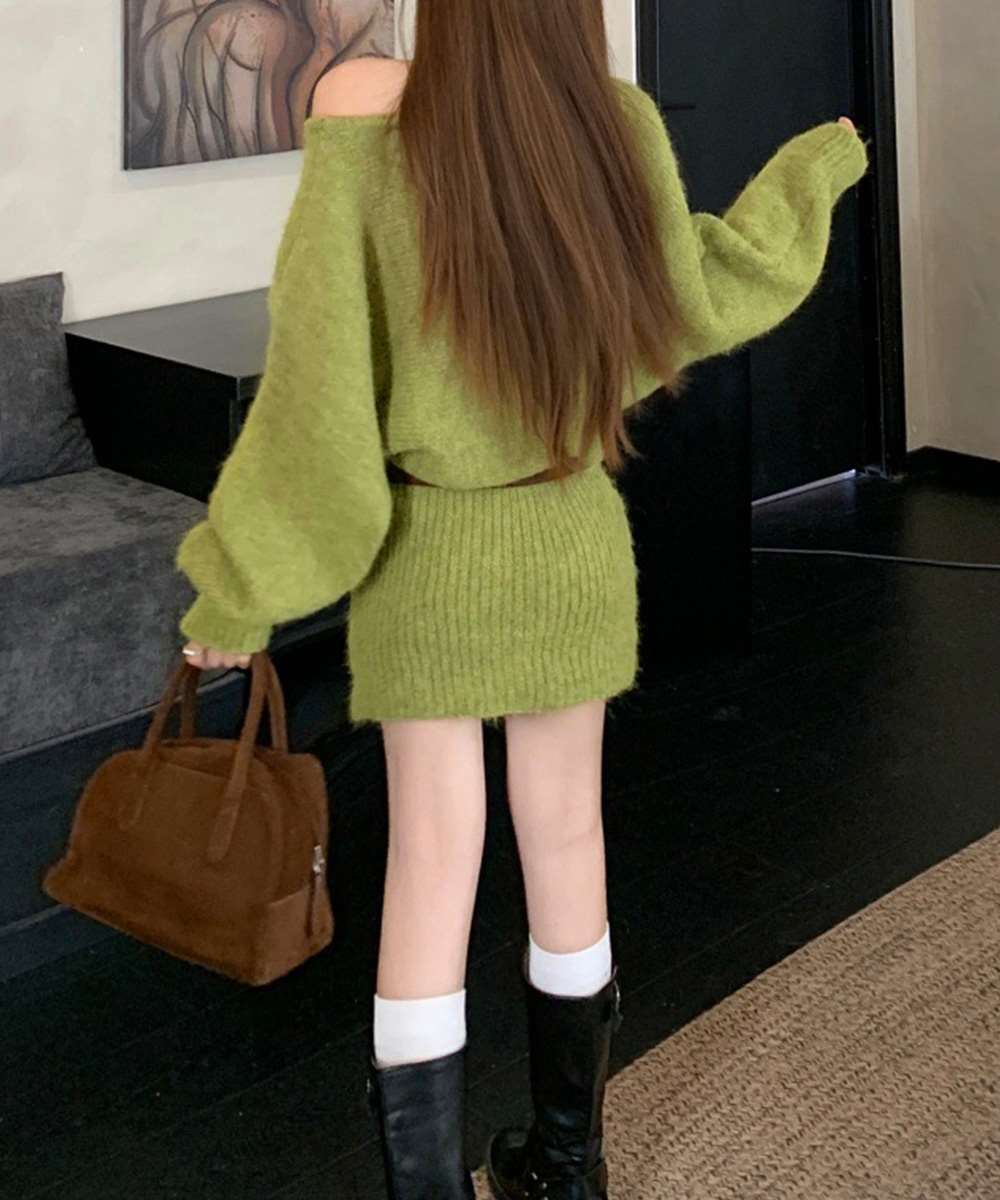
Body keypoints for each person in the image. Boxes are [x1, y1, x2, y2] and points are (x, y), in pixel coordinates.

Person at [173, 3, 869, 1196]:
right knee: (567, 832)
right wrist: (813, 174)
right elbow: (692, 299)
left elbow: (318, 388)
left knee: (431, 856)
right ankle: (566, 1165)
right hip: (570, 531)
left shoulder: (360, 105)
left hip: (427, 551)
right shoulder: (615, 121)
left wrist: (238, 594)